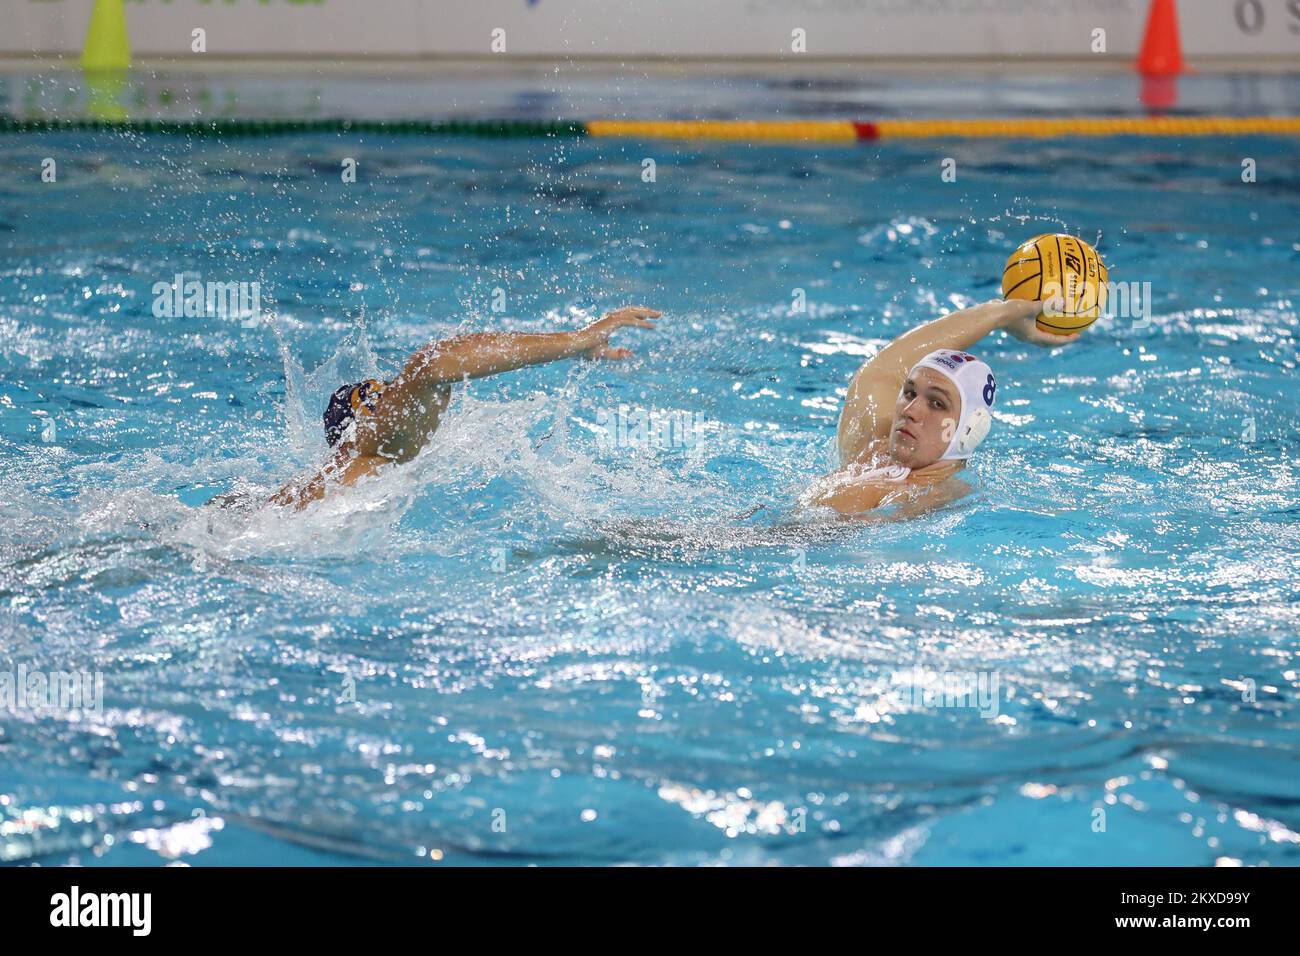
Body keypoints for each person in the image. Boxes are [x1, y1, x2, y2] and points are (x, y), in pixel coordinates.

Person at [262, 306, 660, 509]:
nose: (397, 395)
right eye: (383, 395)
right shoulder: (372, 449)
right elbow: (431, 364)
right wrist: (579, 339)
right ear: (365, 417)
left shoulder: (329, 483)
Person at [804, 298, 1079, 517]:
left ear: (970, 429)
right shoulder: (873, 447)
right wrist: (1000, 313)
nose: (910, 410)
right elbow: (881, 371)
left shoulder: (918, 502)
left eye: (937, 403)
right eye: (910, 392)